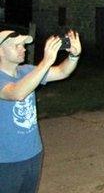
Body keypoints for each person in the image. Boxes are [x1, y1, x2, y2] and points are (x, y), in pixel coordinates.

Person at [0, 29, 82, 193]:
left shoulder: (27, 71)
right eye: (17, 45)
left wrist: (74, 56)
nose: (23, 49)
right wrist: (46, 62)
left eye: (23, 45)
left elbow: (62, 71)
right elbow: (16, 92)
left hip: (33, 154)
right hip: (6, 161)